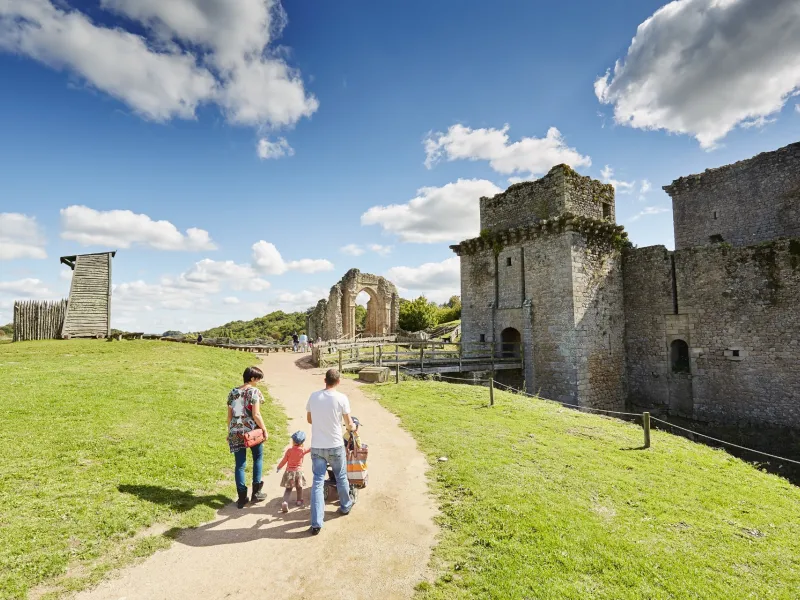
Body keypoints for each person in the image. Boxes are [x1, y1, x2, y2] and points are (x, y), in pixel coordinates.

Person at [306, 368, 355, 535]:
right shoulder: (342, 398)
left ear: (324, 380)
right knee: (341, 476)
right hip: (335, 444)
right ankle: (345, 506)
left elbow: (310, 419)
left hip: (317, 446)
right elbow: (348, 423)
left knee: (318, 481)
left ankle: (316, 522)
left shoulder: (314, 396)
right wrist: (352, 427)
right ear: (338, 381)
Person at [227, 366, 269, 509]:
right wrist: (264, 429)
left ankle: (241, 497)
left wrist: (230, 432)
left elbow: (229, 416)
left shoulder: (233, 392)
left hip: (235, 431)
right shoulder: (254, 391)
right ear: (252, 378)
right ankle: (256, 493)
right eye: (258, 378)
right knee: (258, 458)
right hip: (251, 432)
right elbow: (256, 414)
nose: (259, 381)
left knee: (240, 464)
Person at [276, 431, 311, 512]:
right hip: (298, 472)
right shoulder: (302, 450)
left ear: (293, 441)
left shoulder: (289, 450)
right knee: (299, 487)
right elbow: (310, 449)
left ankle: (285, 502)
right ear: (302, 442)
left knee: (288, 489)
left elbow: (284, 460)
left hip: (289, 473)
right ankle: (299, 501)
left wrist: (279, 467)